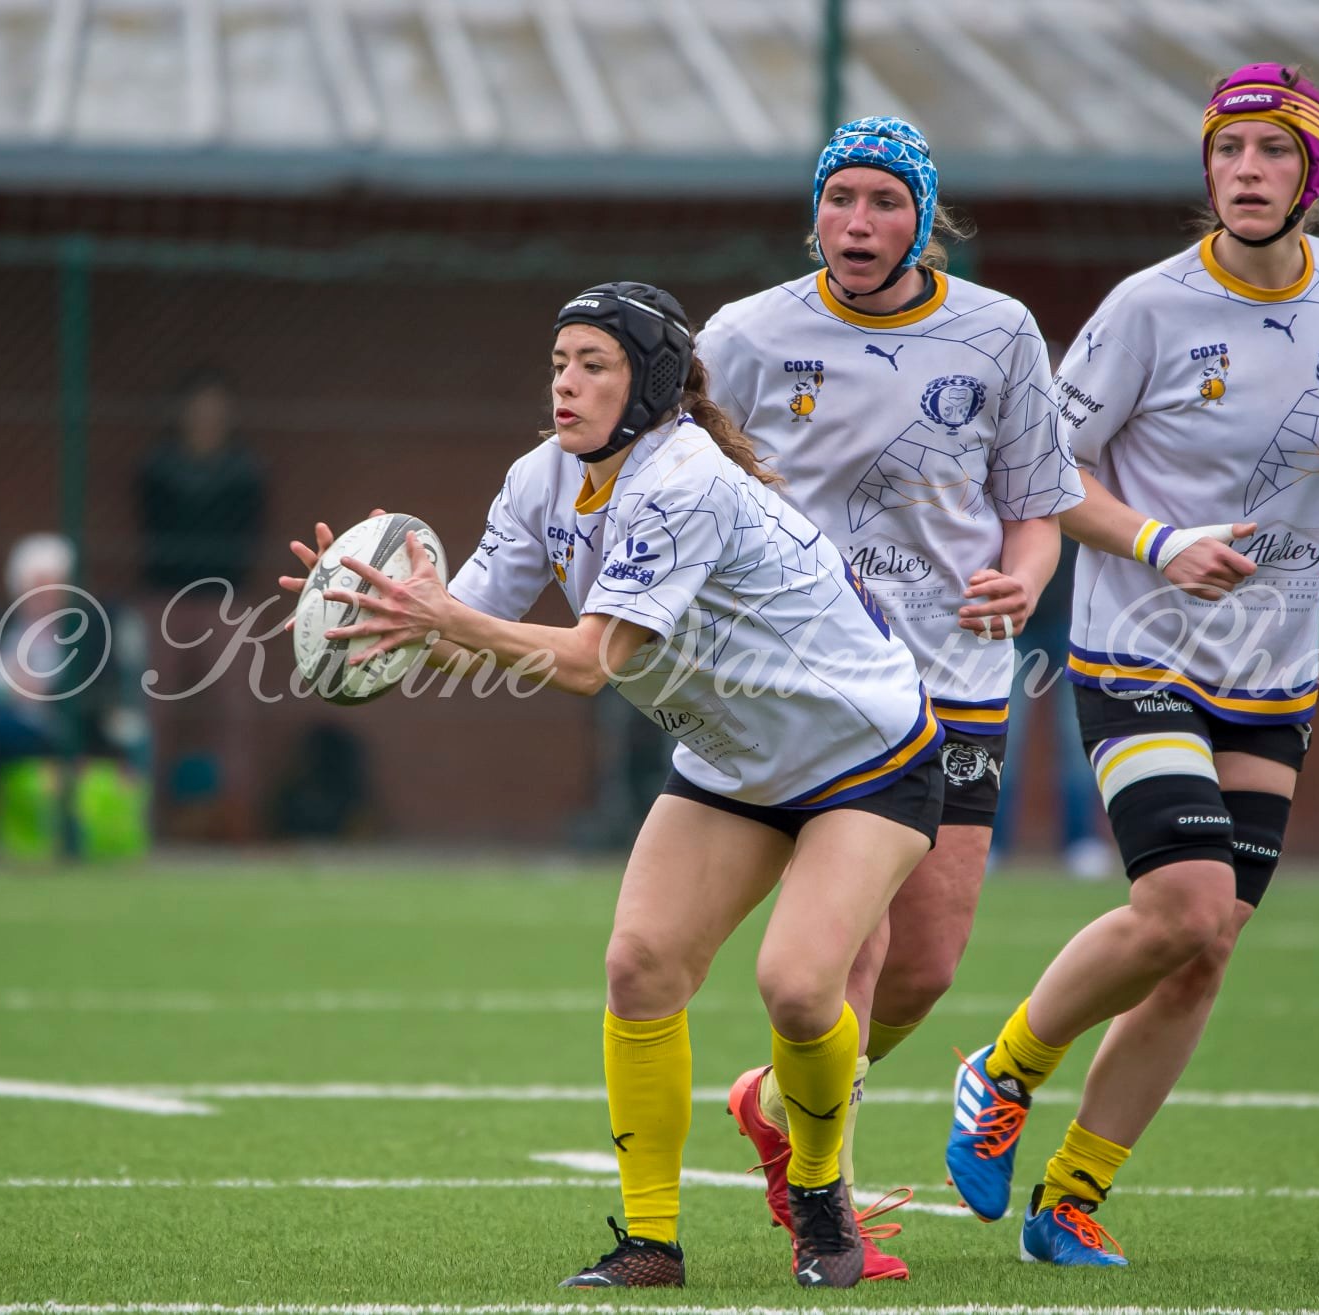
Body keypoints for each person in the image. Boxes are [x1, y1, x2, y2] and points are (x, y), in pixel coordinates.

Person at [280, 282, 945, 1289]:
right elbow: (471, 638)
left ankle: (818, 1199)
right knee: (639, 964)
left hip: (866, 756)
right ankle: (649, 1244)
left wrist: (439, 620)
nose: (567, 383)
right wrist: (382, 613)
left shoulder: (682, 480)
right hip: (730, 760)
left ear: (653, 386)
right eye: (558, 362)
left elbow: (590, 660)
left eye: (594, 363)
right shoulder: (538, 478)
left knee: (799, 987)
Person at [944, 64, 1319, 1265]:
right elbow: (1041, 478)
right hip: (1136, 647)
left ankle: (1069, 1201)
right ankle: (1001, 1069)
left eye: (1272, 153)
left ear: (1308, 176)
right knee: (1183, 903)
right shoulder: (1146, 307)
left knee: (1203, 945)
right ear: (1206, 172)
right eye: (1227, 152)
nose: (1246, 172)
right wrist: (1161, 545)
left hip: (1272, 670)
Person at [692, 115, 1081, 1279]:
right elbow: (680, 487)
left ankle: (782, 1098)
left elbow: (1038, 503)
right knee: (847, 954)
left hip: (957, 674)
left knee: (926, 962)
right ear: (813, 210)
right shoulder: (746, 335)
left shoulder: (998, 331)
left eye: (883, 203)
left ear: (925, 218)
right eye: (839, 200)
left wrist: (1024, 574)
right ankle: (829, 1207)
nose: (857, 224)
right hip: (809, 684)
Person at [0, 534, 150, 856]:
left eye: (54, 584)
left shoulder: (91, 628)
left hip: (57, 723)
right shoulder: (0, 625)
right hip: (2, 719)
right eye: (36, 584)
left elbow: (101, 689)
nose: (45, 594)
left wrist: (43, 691)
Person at [136, 368, 265, 837]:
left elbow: (251, 533)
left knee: (235, 712)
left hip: (225, 601)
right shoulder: (159, 466)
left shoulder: (244, 469)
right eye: (199, 408)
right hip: (164, 598)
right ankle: (141, 820)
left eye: (216, 409)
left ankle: (236, 821)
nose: (207, 418)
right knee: (152, 709)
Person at [990, 537, 1115, 880]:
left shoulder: (1084, 485)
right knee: (1002, 734)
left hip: (1074, 618)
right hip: (1012, 618)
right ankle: (992, 842)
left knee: (1075, 736)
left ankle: (1082, 841)